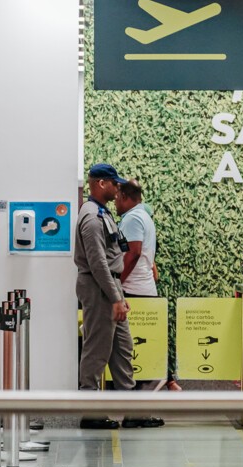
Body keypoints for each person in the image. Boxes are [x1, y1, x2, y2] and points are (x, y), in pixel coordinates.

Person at [74, 164, 162, 430]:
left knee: (123, 349)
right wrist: (115, 297)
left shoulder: (102, 213)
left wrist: (117, 295)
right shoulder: (91, 217)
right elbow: (98, 263)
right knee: (96, 351)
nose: (117, 188)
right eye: (114, 183)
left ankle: (132, 411)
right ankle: (90, 413)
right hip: (100, 289)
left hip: (111, 288)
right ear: (101, 184)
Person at [115, 180, 181, 390]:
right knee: (144, 341)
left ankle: (157, 380)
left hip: (134, 290)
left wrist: (117, 283)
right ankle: (165, 379)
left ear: (125, 197)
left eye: (117, 198)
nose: (115, 203)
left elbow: (133, 253)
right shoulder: (144, 217)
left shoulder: (133, 218)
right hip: (144, 289)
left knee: (130, 344)